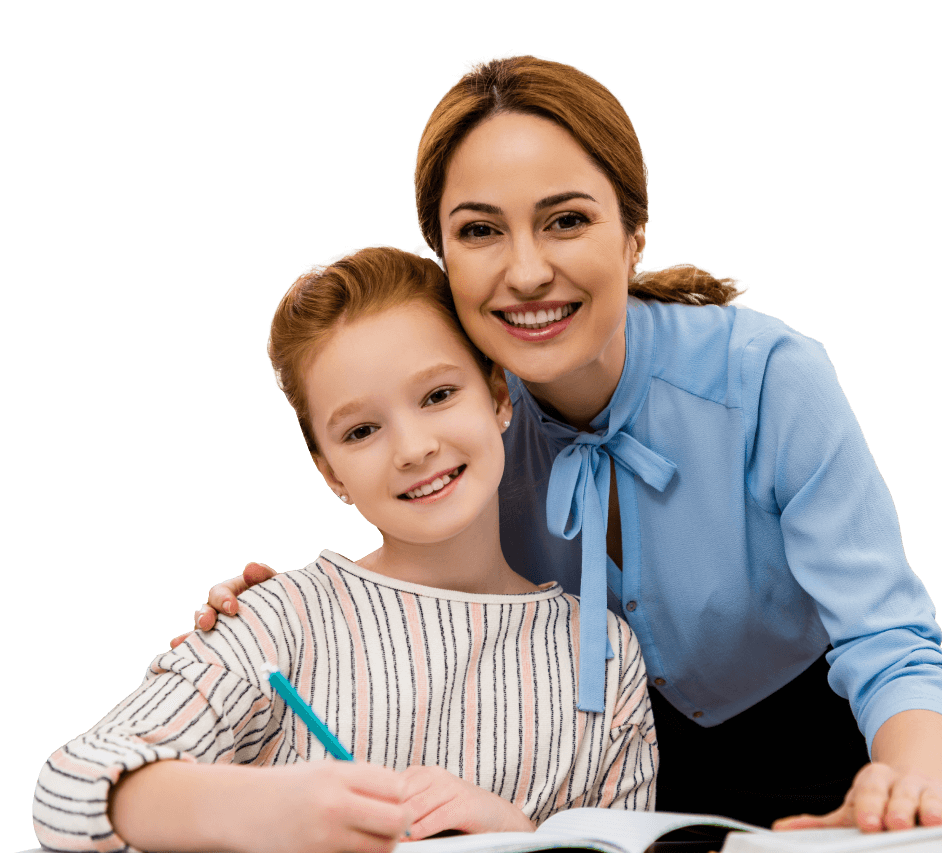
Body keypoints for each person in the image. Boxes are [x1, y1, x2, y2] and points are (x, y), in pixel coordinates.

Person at [177, 53, 942, 832]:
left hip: (817, 762)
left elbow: (889, 639)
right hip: (580, 784)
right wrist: (274, 620)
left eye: (565, 220)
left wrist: (907, 787)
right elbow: (411, 565)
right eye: (480, 230)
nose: (527, 272)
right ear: (442, 258)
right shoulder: (462, 418)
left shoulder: (767, 376)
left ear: (634, 233)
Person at [33, 245, 657, 853]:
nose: (413, 449)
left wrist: (517, 836)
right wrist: (261, 811)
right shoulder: (275, 621)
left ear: (498, 396)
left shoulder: (603, 653)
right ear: (330, 472)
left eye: (438, 395)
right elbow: (67, 791)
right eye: (361, 431)